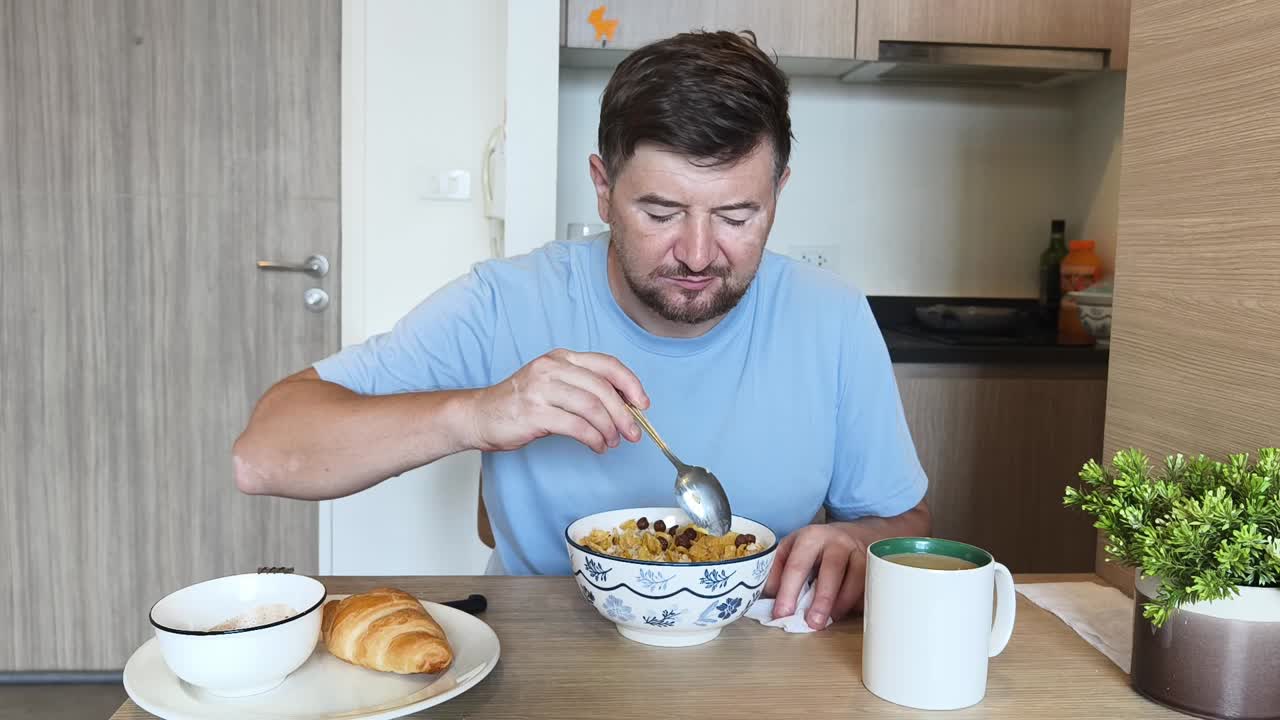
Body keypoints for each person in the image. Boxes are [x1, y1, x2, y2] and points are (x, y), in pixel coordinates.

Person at [233, 30, 930, 630]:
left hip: (760, 649)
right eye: (659, 212)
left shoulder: (831, 315)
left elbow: (901, 523)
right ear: (602, 186)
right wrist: (475, 413)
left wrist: (859, 545)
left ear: (778, 189)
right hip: (542, 641)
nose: (695, 253)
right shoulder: (506, 301)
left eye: (737, 216)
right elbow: (263, 454)